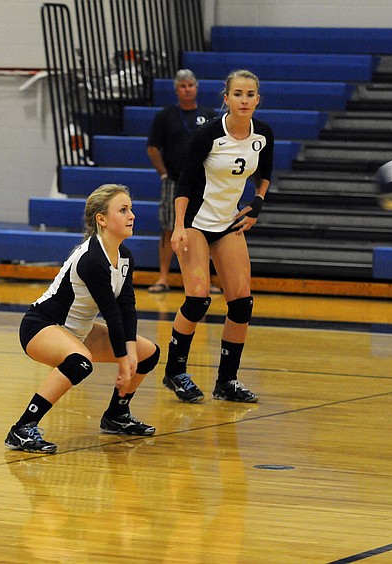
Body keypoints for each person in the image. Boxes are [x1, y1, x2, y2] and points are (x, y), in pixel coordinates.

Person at [5, 184, 160, 454]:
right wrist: (124, 364)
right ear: (101, 219)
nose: (132, 215)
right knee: (80, 363)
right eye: (123, 210)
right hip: (42, 326)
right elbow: (110, 312)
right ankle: (22, 428)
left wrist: (132, 354)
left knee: (148, 354)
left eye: (131, 209)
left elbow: (127, 307)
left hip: (79, 331)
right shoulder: (91, 258)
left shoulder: (124, 256)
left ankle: (116, 415)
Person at [162, 69, 272, 405]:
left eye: (250, 94)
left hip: (227, 223)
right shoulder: (209, 134)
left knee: (242, 302)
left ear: (257, 99)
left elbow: (264, 175)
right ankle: (175, 371)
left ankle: (227, 381)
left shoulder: (263, 134)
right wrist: (179, 226)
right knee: (198, 299)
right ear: (226, 98)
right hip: (195, 221)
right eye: (237, 94)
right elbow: (183, 183)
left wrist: (256, 205)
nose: (244, 100)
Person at [146, 69, 217, 294]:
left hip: (202, 182)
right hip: (174, 181)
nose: (187, 89)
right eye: (183, 86)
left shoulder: (209, 114)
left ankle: (205, 279)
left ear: (197, 87)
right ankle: (164, 277)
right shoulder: (165, 116)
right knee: (168, 228)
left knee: (204, 229)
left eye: (191, 85)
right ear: (176, 90)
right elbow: (152, 147)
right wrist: (164, 174)